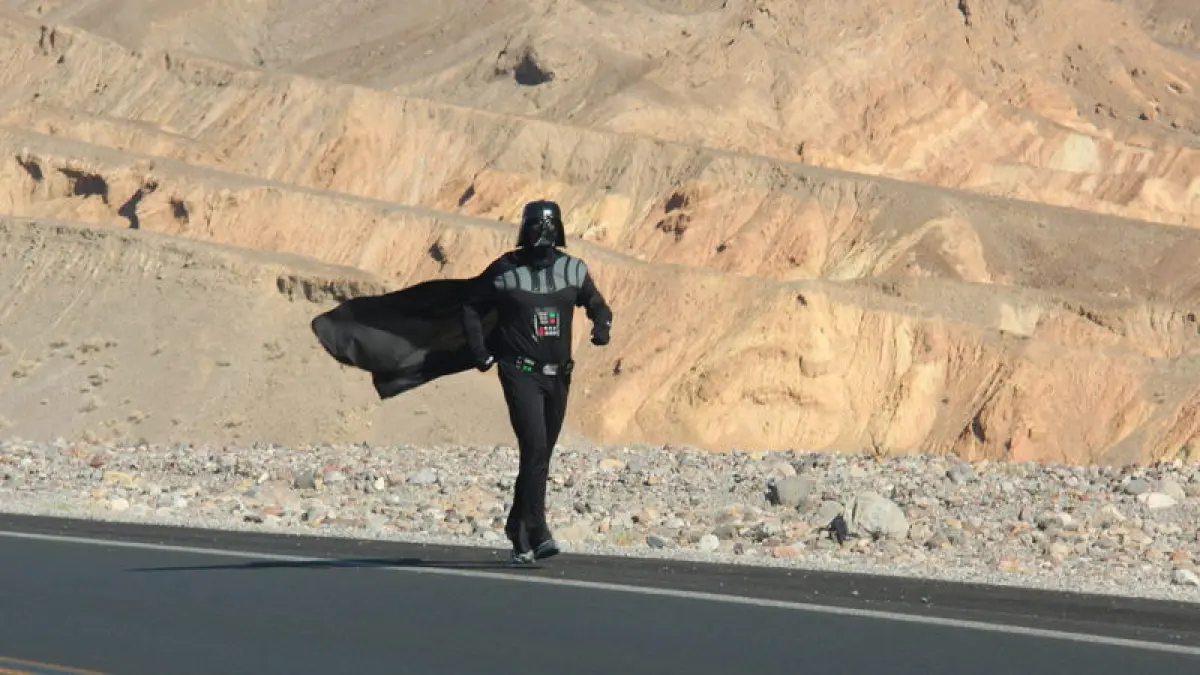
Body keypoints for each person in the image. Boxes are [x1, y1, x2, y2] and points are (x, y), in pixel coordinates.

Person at [461, 199, 613, 564]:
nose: (541, 233)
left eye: (547, 226)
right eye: (535, 226)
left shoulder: (572, 270)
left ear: (558, 229)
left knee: (540, 455)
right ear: (524, 229)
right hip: (520, 371)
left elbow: (596, 303)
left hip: (558, 375)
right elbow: (470, 305)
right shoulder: (506, 270)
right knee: (535, 447)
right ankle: (538, 531)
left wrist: (602, 325)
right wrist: (479, 350)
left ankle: (518, 529)